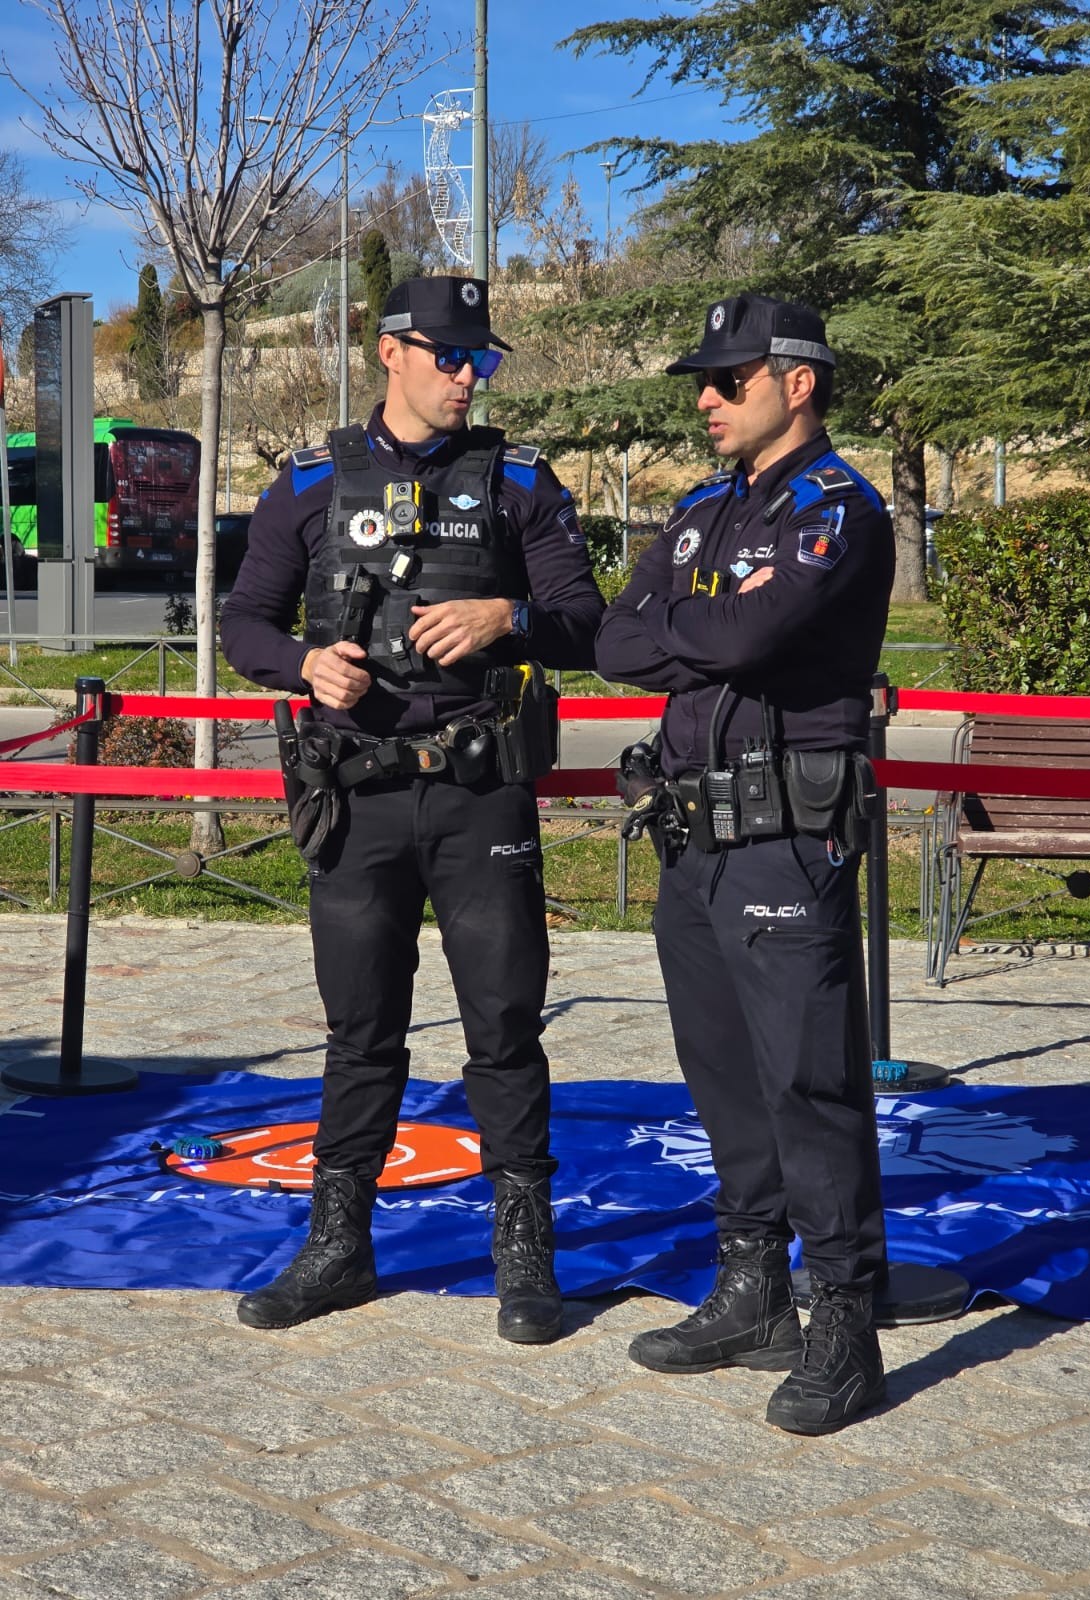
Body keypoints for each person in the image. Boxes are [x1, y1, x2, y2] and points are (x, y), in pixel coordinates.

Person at [221, 275, 604, 1343]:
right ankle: (339, 1246)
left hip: (481, 796)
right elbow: (242, 621)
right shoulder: (307, 483)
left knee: (505, 1027)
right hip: (357, 798)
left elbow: (589, 622)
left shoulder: (521, 481)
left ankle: (524, 1256)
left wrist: (506, 613)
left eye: (480, 359)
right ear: (388, 352)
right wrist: (304, 665)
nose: (467, 376)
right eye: (449, 356)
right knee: (361, 1032)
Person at [595, 291, 895, 1434]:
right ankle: (753, 1288)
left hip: (786, 833)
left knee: (809, 1086)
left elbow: (742, 640)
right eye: (701, 383)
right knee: (723, 1081)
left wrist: (687, 617)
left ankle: (845, 1325)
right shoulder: (702, 509)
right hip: (691, 838)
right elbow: (617, 639)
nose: (706, 400)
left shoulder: (840, 508)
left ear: (798, 381)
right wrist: (694, 612)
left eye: (728, 380)